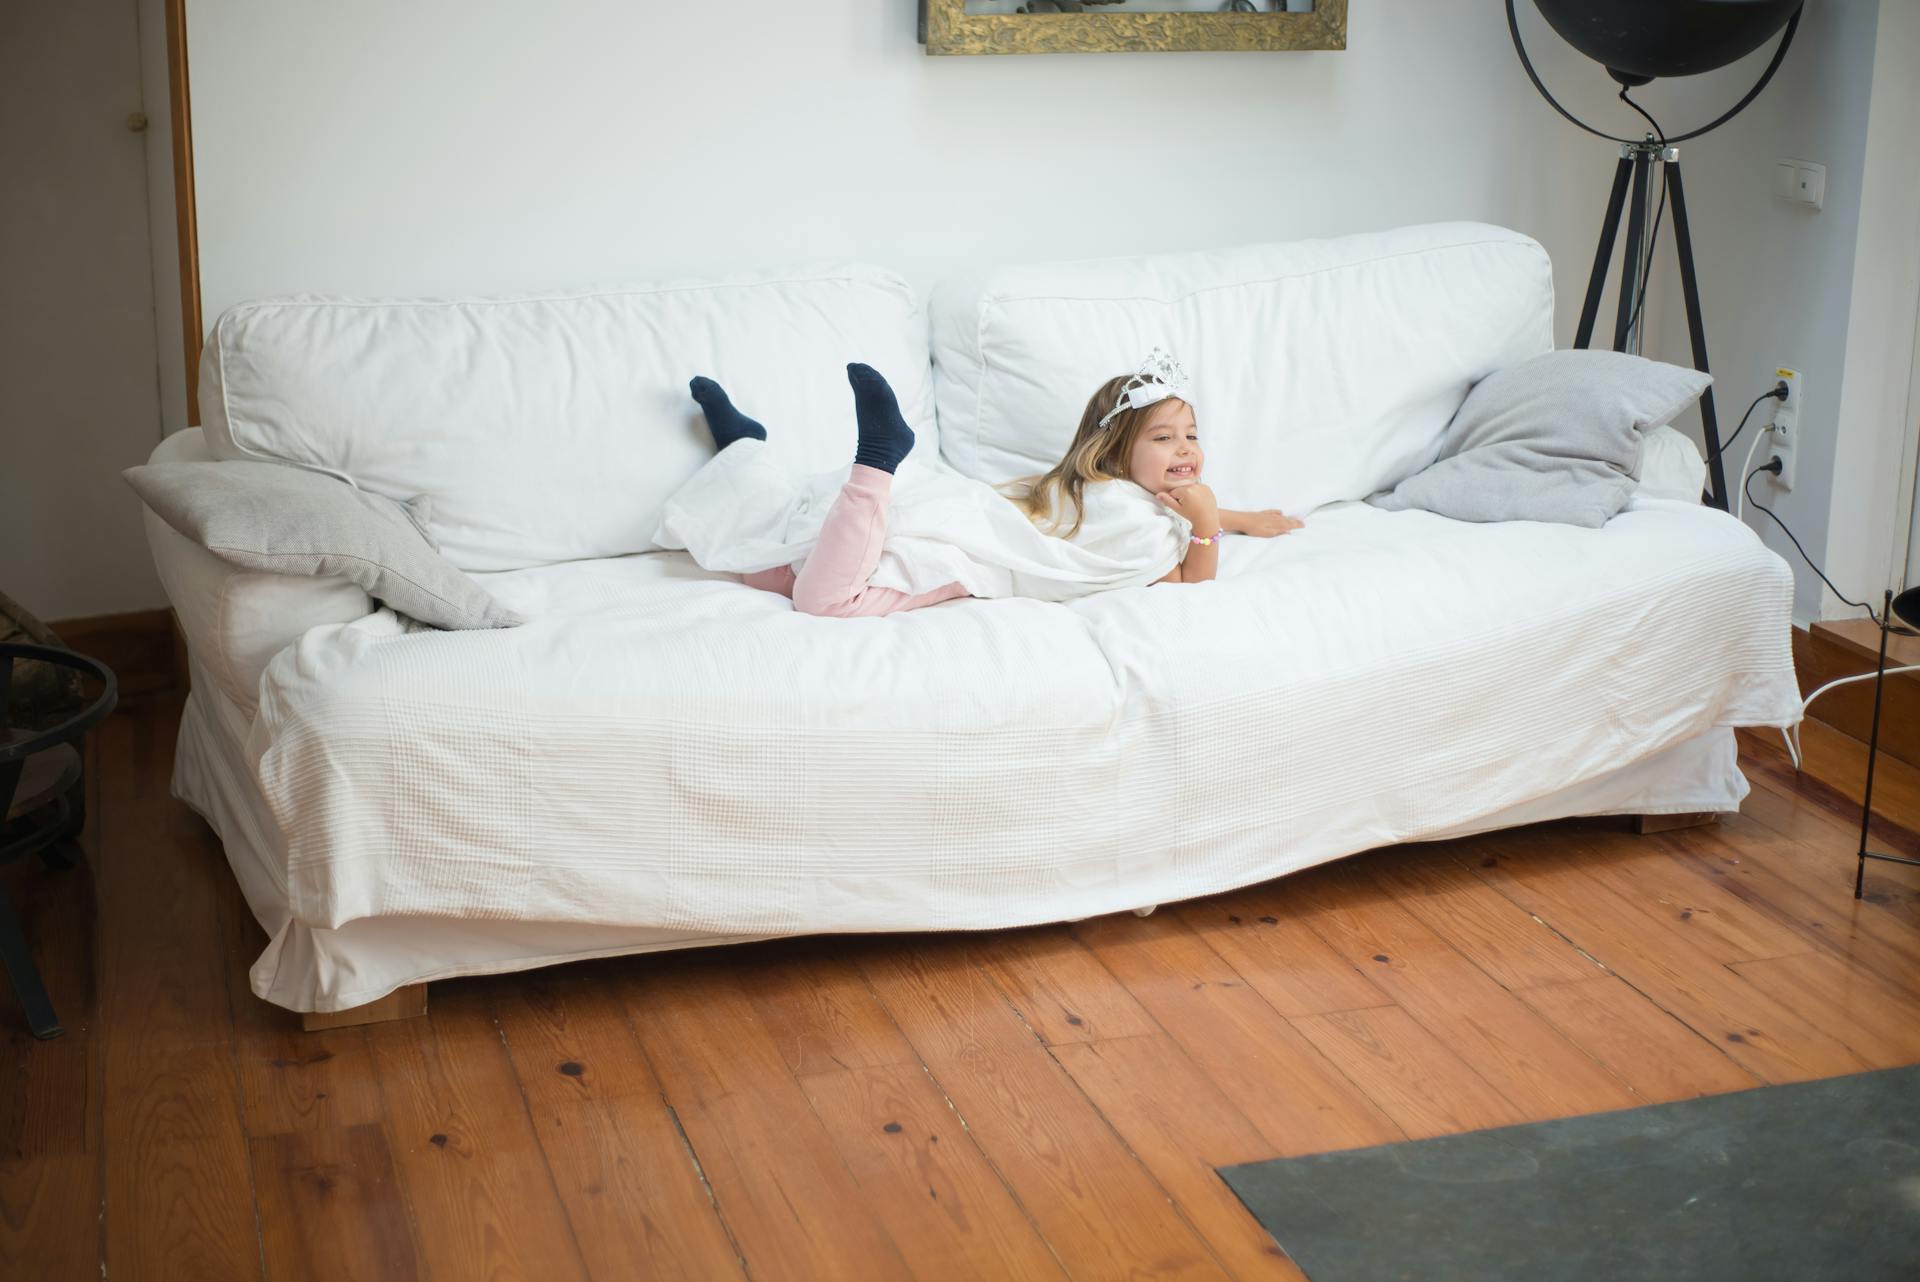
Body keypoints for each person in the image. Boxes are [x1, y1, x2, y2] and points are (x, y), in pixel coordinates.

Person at [666, 350, 1302, 618]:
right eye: (1163, 438)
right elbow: (1192, 583)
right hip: (960, 556)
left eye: (1191, 435)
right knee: (823, 602)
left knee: (769, 565)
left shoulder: (1093, 489)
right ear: (1114, 450)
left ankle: (744, 448)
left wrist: (1232, 515)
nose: (1185, 449)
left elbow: (1165, 505)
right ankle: (877, 459)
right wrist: (1211, 524)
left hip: (953, 507)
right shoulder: (1137, 520)